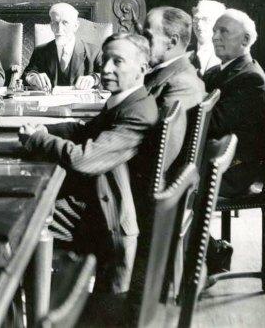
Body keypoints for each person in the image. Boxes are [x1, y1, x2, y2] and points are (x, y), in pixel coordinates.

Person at [18, 33, 159, 294]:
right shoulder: (128, 99)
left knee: (18, 222)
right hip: (96, 202)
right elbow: (85, 131)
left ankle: (28, 303)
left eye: (117, 61)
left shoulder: (139, 111)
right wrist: (45, 128)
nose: (105, 68)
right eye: (105, 59)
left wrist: (39, 139)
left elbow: (84, 159)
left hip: (106, 221)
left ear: (142, 68)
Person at [204, 9, 265, 275]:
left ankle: (210, 254)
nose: (215, 37)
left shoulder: (250, 78)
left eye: (223, 32)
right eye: (214, 31)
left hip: (234, 170)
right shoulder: (217, 71)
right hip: (217, 159)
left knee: (169, 180)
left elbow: (214, 123)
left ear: (245, 40)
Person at [141, 6, 207, 164]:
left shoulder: (183, 84)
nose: (142, 43)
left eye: (147, 37)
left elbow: (159, 156)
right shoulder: (161, 74)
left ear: (172, 41)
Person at [23, 2, 101, 91]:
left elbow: (110, 75)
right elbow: (26, 75)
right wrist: (32, 78)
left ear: (75, 26)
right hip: (49, 103)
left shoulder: (93, 51)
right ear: (51, 26)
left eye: (65, 23)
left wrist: (94, 79)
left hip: (82, 104)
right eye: (55, 23)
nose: (59, 29)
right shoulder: (40, 51)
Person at [189, 0, 226, 76]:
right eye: (196, 19)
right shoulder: (185, 50)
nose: (199, 24)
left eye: (205, 19)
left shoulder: (228, 54)